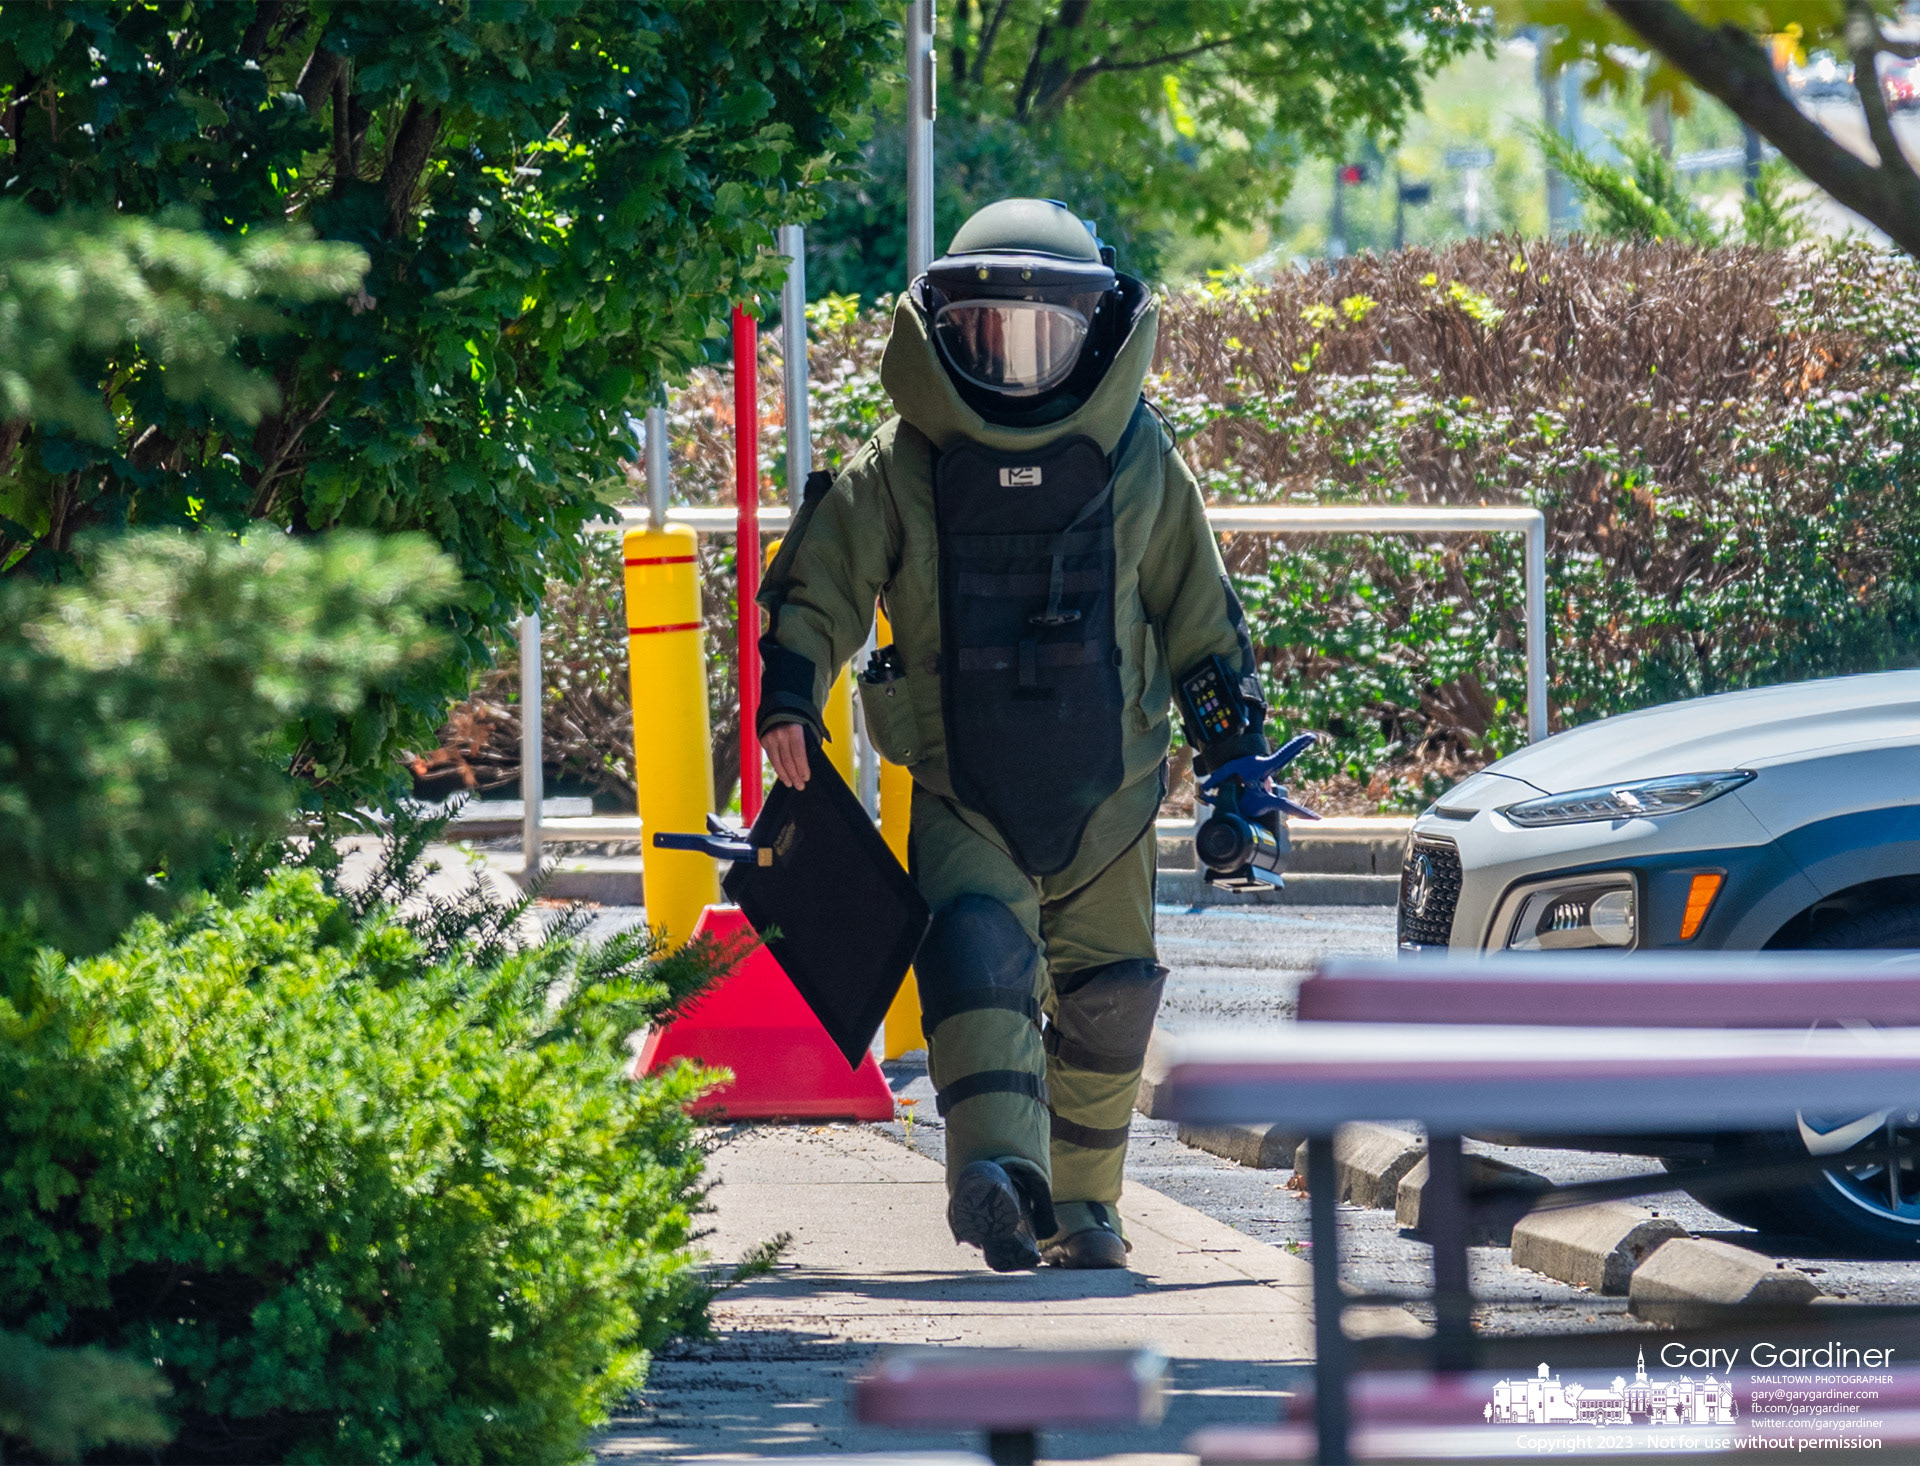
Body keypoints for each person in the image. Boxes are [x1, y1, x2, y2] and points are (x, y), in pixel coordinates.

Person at [756, 198, 1277, 1271]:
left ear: (1097, 329)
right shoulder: (900, 465)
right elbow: (820, 588)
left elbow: (1201, 618)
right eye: (992, 330)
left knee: (1111, 998)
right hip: (966, 784)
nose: (1021, 357)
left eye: (1048, 331)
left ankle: (1085, 1210)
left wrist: (1236, 763)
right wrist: (790, 696)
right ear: (945, 326)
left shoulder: (1140, 460)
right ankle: (998, 1175)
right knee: (974, 954)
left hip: (1114, 793)